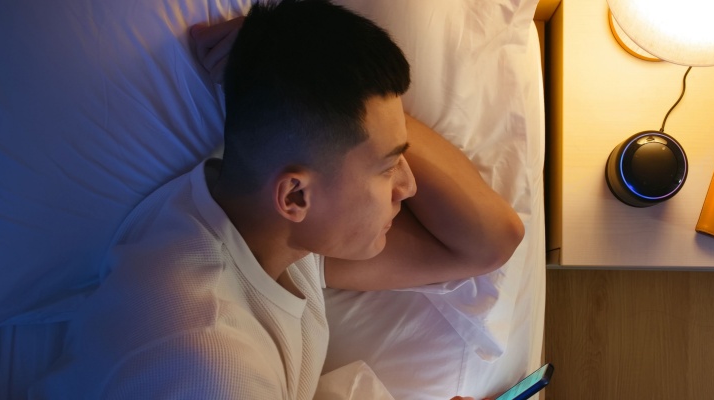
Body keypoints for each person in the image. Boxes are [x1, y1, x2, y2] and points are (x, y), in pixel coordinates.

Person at [29, 1, 522, 399]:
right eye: (388, 165)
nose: (409, 186)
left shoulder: (263, 226)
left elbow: (492, 240)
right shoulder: (210, 357)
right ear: (296, 194)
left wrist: (313, 84)